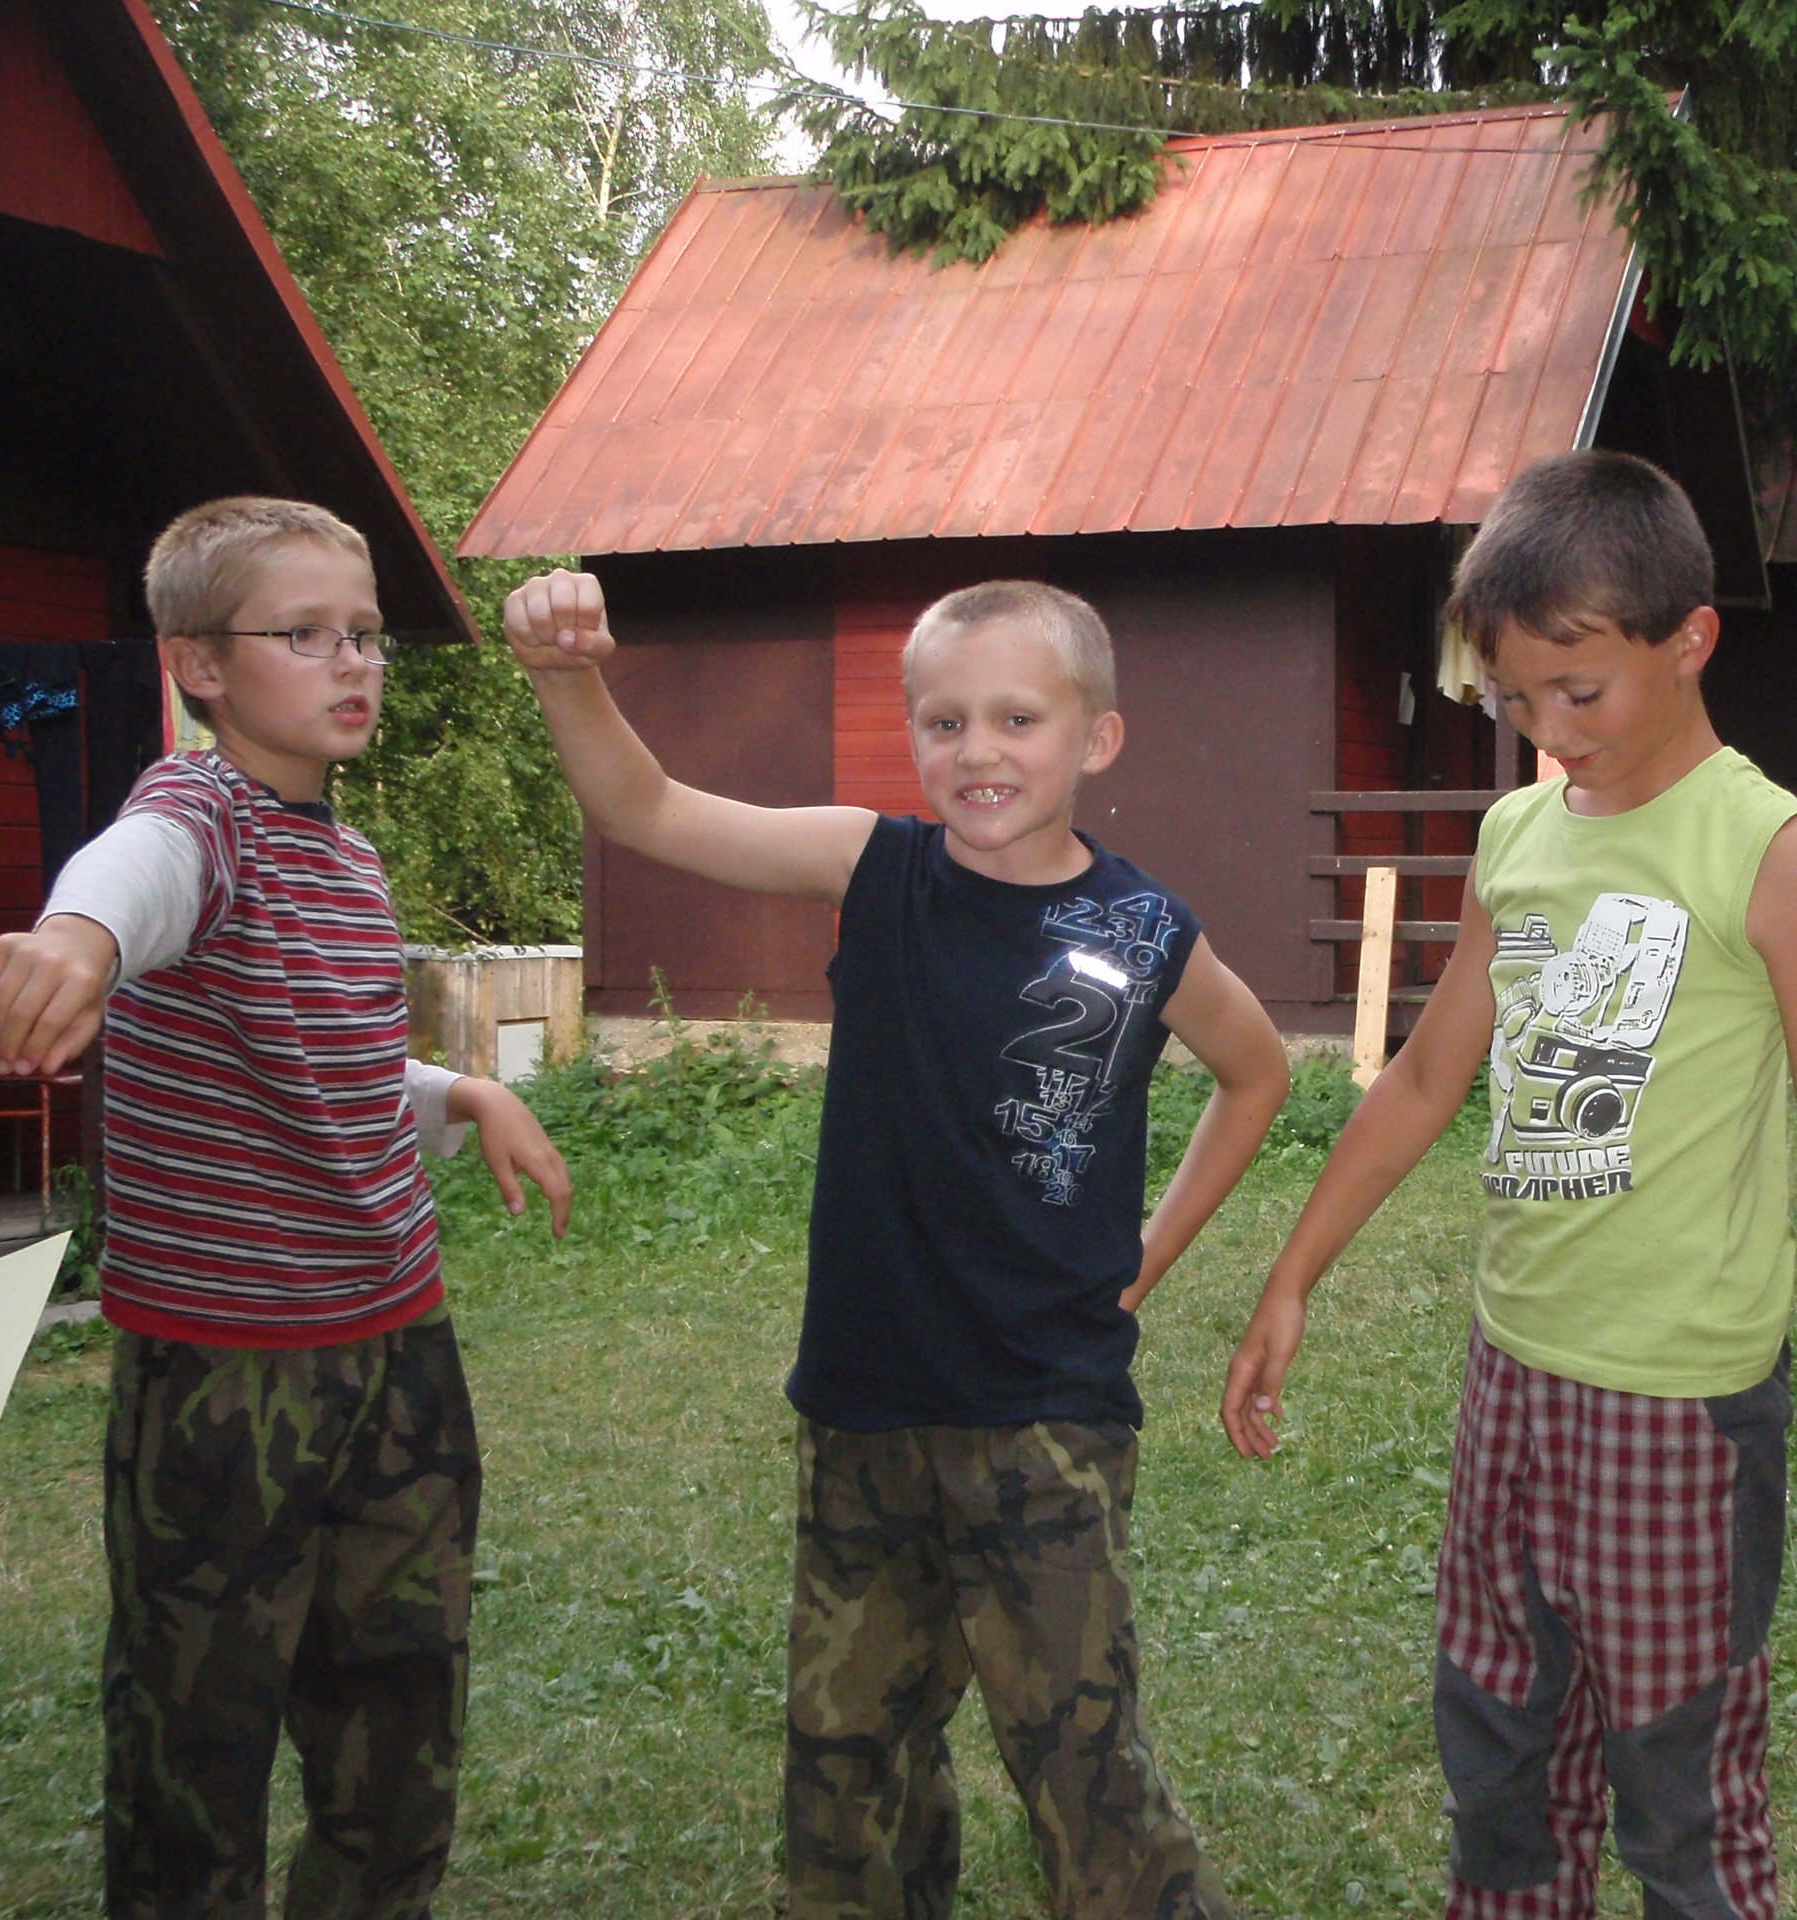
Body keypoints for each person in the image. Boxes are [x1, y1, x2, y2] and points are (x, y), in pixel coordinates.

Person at [502, 568, 1289, 1917]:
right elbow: (646, 807)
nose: (979, 751)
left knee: (1085, 1770)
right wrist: (566, 676)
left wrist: (1151, 1252)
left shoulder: (1147, 930)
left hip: (1045, 1419)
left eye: (1018, 719)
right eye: (943, 722)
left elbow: (1258, 1071)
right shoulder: (872, 865)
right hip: (863, 1408)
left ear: (1096, 737)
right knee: (847, 1767)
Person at [1223, 450, 1797, 1920]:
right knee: (1501, 1757)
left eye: (1579, 692)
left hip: (1682, 1405)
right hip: (1514, 1379)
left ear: (1690, 639)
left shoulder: (1774, 852)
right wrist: (1291, 1276)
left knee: (1684, 1799)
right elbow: (1424, 1077)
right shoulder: (1517, 835)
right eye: (1516, 699)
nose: (1548, 730)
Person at [0, 496, 572, 1918]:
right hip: (227, 1372)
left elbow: (330, 1056)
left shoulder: (346, 861)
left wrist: (462, 1094)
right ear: (199, 664)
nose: (352, 662)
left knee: (401, 1709)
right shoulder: (202, 817)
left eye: (365, 634)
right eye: (304, 635)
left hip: (399, 1347)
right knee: (198, 1733)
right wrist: (75, 937)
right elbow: (136, 875)